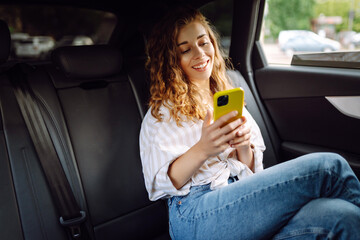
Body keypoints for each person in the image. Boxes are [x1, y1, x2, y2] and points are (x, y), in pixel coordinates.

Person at [139, 7, 360, 240]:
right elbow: (159, 184)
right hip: (195, 213)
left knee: (341, 217)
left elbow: (251, 168)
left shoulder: (225, 96)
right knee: (329, 167)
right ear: (170, 60)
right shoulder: (161, 114)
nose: (199, 53)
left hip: (240, 198)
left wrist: (243, 146)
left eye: (203, 43)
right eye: (185, 49)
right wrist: (203, 149)